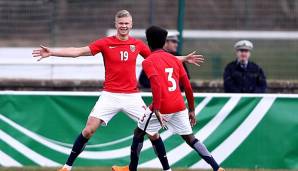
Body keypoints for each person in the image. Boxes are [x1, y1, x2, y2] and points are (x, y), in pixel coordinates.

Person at [32, 10, 203, 171]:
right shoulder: (105, 43)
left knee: (153, 133)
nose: (124, 26)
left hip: (132, 97)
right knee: (89, 129)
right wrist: (52, 52)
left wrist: (183, 59)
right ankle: (67, 167)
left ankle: (167, 169)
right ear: (115, 24)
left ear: (131, 24)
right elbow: (78, 51)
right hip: (110, 95)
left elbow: (161, 58)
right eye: (121, 23)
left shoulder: (137, 45)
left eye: (127, 23)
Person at [112, 26, 224, 171]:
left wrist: (157, 108)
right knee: (190, 138)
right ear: (164, 42)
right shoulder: (175, 60)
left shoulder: (148, 61)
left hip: (162, 106)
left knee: (138, 133)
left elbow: (157, 85)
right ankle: (217, 168)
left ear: (148, 42)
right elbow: (188, 87)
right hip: (179, 105)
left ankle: (131, 169)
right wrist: (192, 109)